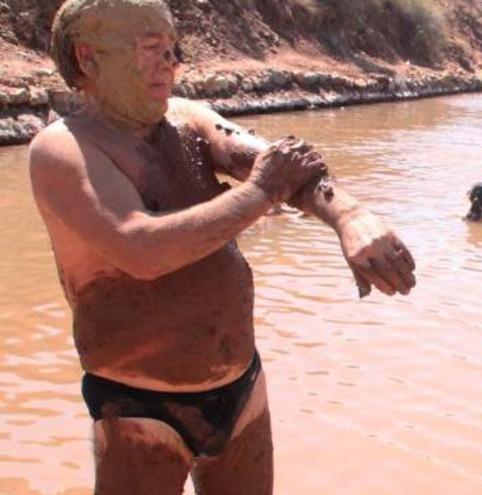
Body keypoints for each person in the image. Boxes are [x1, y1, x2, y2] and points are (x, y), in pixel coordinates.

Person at [28, 1, 416, 493]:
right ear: (88, 58)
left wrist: (350, 215)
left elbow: (284, 168)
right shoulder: (63, 149)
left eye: (172, 49)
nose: (170, 63)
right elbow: (140, 248)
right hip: (139, 405)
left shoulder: (188, 119)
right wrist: (259, 193)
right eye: (150, 50)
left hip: (241, 389)